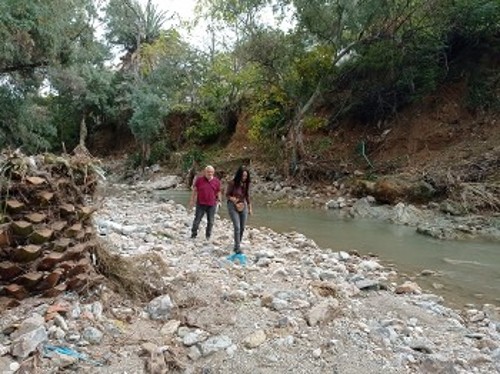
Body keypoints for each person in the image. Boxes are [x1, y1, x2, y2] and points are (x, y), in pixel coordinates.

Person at [189, 165, 221, 241]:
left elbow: (218, 191)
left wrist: (219, 200)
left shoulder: (216, 181)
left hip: (212, 204)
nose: (209, 173)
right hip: (200, 203)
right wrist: (192, 200)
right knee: (197, 220)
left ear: (213, 172)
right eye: (208, 172)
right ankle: (193, 234)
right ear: (205, 172)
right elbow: (195, 190)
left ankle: (208, 236)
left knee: (211, 221)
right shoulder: (199, 180)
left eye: (211, 172)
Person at [226, 166, 253, 254]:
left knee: (242, 227)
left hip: (243, 204)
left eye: (245, 176)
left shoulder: (246, 184)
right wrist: (232, 198)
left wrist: (249, 207)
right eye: (243, 176)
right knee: (237, 227)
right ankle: (237, 247)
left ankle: (237, 244)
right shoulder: (232, 183)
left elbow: (247, 195)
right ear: (239, 175)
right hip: (232, 206)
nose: (244, 178)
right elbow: (227, 195)